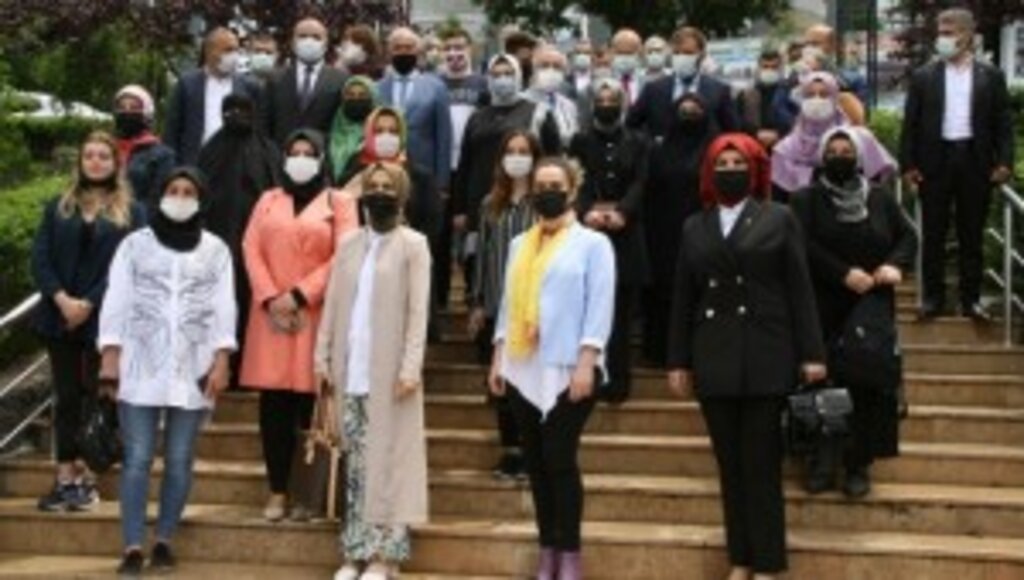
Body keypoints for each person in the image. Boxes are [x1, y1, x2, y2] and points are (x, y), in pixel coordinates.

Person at [667, 133, 827, 580]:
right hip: (714, 354)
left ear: (755, 170)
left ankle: (769, 562)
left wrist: (812, 352)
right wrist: (678, 359)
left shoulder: (779, 217)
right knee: (729, 467)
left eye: (739, 164)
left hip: (765, 353)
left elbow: (799, 288)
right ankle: (740, 559)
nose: (730, 171)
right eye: (722, 164)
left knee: (761, 466)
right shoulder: (695, 225)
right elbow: (684, 297)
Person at [98, 167, 236, 576]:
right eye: (173, 190)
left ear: (201, 199)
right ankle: (132, 546)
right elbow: (117, 298)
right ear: (159, 195)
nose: (180, 197)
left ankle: (164, 540)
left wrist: (222, 359)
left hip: (194, 366)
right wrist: (110, 356)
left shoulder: (216, 250)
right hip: (141, 365)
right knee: (138, 458)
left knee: (179, 458)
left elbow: (224, 306)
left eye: (188, 191)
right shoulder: (134, 246)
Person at [488, 156, 616, 580]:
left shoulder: (593, 244)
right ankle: (547, 550)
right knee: (537, 464)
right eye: (540, 186)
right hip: (523, 366)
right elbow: (507, 305)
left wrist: (587, 362)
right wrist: (499, 357)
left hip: (569, 368)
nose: (547, 193)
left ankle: (570, 554)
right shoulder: (518, 244)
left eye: (555, 186)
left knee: (560, 459)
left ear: (572, 190)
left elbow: (599, 306)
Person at [314, 162, 430, 580]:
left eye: (388, 186)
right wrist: (322, 357)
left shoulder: (414, 245)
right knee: (357, 465)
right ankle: (354, 552)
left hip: (393, 375)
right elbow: (332, 304)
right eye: (373, 186)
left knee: (390, 464)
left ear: (401, 195)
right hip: (351, 372)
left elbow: (418, 312)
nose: (379, 192)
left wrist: (410, 367)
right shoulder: (349, 244)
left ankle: (386, 556)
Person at [240, 129, 360, 522]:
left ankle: (309, 492)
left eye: (310, 153)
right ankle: (277, 489)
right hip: (271, 318)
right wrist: (272, 297)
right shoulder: (268, 200)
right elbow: (251, 248)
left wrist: (299, 295)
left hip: (316, 315)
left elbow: (345, 254)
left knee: (313, 405)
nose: (302, 159)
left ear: (322, 159)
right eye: (295, 152)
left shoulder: (340, 202)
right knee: (274, 408)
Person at [791, 127, 918, 497]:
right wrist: (842, 273)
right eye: (832, 150)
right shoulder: (805, 199)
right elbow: (802, 244)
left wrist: (895, 265)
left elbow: (908, 237)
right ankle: (821, 459)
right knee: (823, 386)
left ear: (860, 156)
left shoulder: (880, 197)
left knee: (865, 388)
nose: (840, 156)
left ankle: (857, 464)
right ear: (821, 156)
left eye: (847, 151)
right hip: (823, 306)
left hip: (870, 309)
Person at [31, 131, 147, 513]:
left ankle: (88, 476)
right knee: (66, 397)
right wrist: (62, 299)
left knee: (99, 397)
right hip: (59, 317)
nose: (95, 162)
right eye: (89, 155)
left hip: (107, 320)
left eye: (103, 156)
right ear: (80, 162)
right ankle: (65, 477)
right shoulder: (58, 206)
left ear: (116, 163)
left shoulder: (133, 212)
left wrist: (90, 302)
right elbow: (40, 258)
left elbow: (130, 266)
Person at [900, 8, 1015, 321]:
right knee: (933, 234)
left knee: (972, 235)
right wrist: (908, 165)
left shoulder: (991, 75)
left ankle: (971, 300)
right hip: (934, 163)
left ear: (967, 35)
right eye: (940, 32)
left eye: (949, 33)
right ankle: (933, 299)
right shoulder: (924, 76)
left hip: (975, 162)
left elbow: (1003, 123)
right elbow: (910, 125)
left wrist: (1005, 161)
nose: (942, 38)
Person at [452, 54, 560, 301]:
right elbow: (465, 164)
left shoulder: (538, 113)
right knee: (479, 269)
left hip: (525, 205)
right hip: (480, 204)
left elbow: (553, 161)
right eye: (496, 74)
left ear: (519, 76)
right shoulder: (477, 117)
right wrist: (460, 209)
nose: (502, 79)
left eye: (508, 73)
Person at [468, 130, 542, 480]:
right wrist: (477, 302)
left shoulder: (542, 204)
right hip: (498, 306)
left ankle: (532, 451)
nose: (517, 157)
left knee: (529, 383)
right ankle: (510, 450)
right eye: (511, 151)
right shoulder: (490, 204)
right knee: (501, 384)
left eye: (524, 151)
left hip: (533, 309)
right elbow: (482, 256)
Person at [570, 78, 649, 402]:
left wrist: (623, 212)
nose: (606, 106)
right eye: (600, 101)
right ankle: (587, 375)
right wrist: (586, 210)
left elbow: (642, 181)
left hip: (626, 233)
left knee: (621, 312)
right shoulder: (579, 140)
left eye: (612, 100)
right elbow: (575, 179)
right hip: (588, 231)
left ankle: (618, 380)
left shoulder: (638, 140)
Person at [197, 93, 281, 388]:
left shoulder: (269, 151)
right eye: (230, 110)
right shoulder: (210, 150)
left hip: (257, 245)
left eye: (244, 109)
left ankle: (249, 370)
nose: (237, 115)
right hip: (216, 243)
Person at [642, 93, 719, 367]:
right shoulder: (658, 150)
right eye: (683, 111)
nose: (688, 115)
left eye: (695, 110)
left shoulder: (715, 151)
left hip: (704, 230)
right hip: (662, 233)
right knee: (664, 293)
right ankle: (661, 353)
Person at [772, 72, 895, 202]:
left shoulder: (861, 139)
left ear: (834, 98)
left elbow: (878, 185)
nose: (816, 100)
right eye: (810, 95)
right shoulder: (786, 149)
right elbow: (781, 197)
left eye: (824, 95)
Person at [438, 25, 488, 311]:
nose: (454, 53)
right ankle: (441, 295)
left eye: (460, 47)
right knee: (441, 234)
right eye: (448, 48)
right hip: (443, 168)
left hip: (472, 168)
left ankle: (472, 291)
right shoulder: (433, 84)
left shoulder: (483, 84)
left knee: (472, 232)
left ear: (471, 50)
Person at [164, 27, 257, 165]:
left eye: (236, 50)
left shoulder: (249, 87)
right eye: (228, 50)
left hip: (235, 166)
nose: (234, 56)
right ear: (209, 52)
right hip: (195, 164)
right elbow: (172, 130)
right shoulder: (187, 85)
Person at [627, 26, 739, 141]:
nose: (681, 57)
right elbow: (631, 125)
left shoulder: (719, 91)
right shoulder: (653, 90)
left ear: (702, 55)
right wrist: (650, 145)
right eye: (676, 53)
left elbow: (732, 132)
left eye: (688, 53)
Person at [377, 27, 453, 192]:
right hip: (385, 174)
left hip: (424, 173)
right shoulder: (378, 88)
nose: (403, 52)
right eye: (398, 48)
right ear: (389, 52)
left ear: (418, 51)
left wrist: (442, 183)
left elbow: (443, 137)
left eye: (408, 47)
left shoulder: (436, 88)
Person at [264, 17, 347, 145]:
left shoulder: (340, 80)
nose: (309, 41)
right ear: (293, 43)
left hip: (323, 153)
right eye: (302, 36)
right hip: (279, 153)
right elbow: (264, 123)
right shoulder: (274, 78)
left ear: (326, 44)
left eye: (316, 37)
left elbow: (342, 126)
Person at [112, 85, 176, 209]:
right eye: (122, 107)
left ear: (146, 113)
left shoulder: (163, 155)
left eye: (134, 107)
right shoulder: (106, 148)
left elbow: (160, 197)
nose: (127, 112)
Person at [525, 45, 579, 148]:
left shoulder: (569, 106)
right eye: (544, 66)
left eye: (557, 67)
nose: (551, 70)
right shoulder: (522, 101)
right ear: (534, 69)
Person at [328, 76, 379, 185]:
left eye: (362, 95)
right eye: (350, 95)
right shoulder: (331, 128)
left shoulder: (379, 133)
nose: (356, 99)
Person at [736, 49, 791, 150]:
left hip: (786, 145)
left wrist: (779, 133)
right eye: (765, 67)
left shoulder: (790, 92)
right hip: (754, 145)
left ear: (781, 68)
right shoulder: (746, 94)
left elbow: (798, 120)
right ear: (758, 68)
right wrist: (756, 133)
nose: (769, 70)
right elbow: (738, 121)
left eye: (774, 67)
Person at [609, 29, 645, 105]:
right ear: (612, 52)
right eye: (620, 53)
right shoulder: (606, 80)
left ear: (639, 53)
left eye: (629, 53)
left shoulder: (647, 81)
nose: (624, 58)